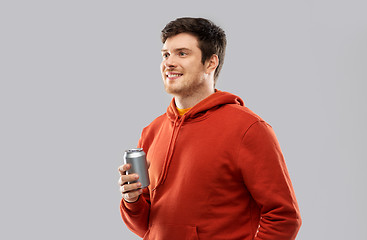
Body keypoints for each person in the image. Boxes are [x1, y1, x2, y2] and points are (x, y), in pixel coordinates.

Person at [118, 17, 301, 240]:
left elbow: (284, 217)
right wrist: (132, 200)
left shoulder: (248, 129)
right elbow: (147, 227)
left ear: (210, 63)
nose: (169, 62)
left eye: (182, 53)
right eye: (165, 54)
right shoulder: (152, 131)